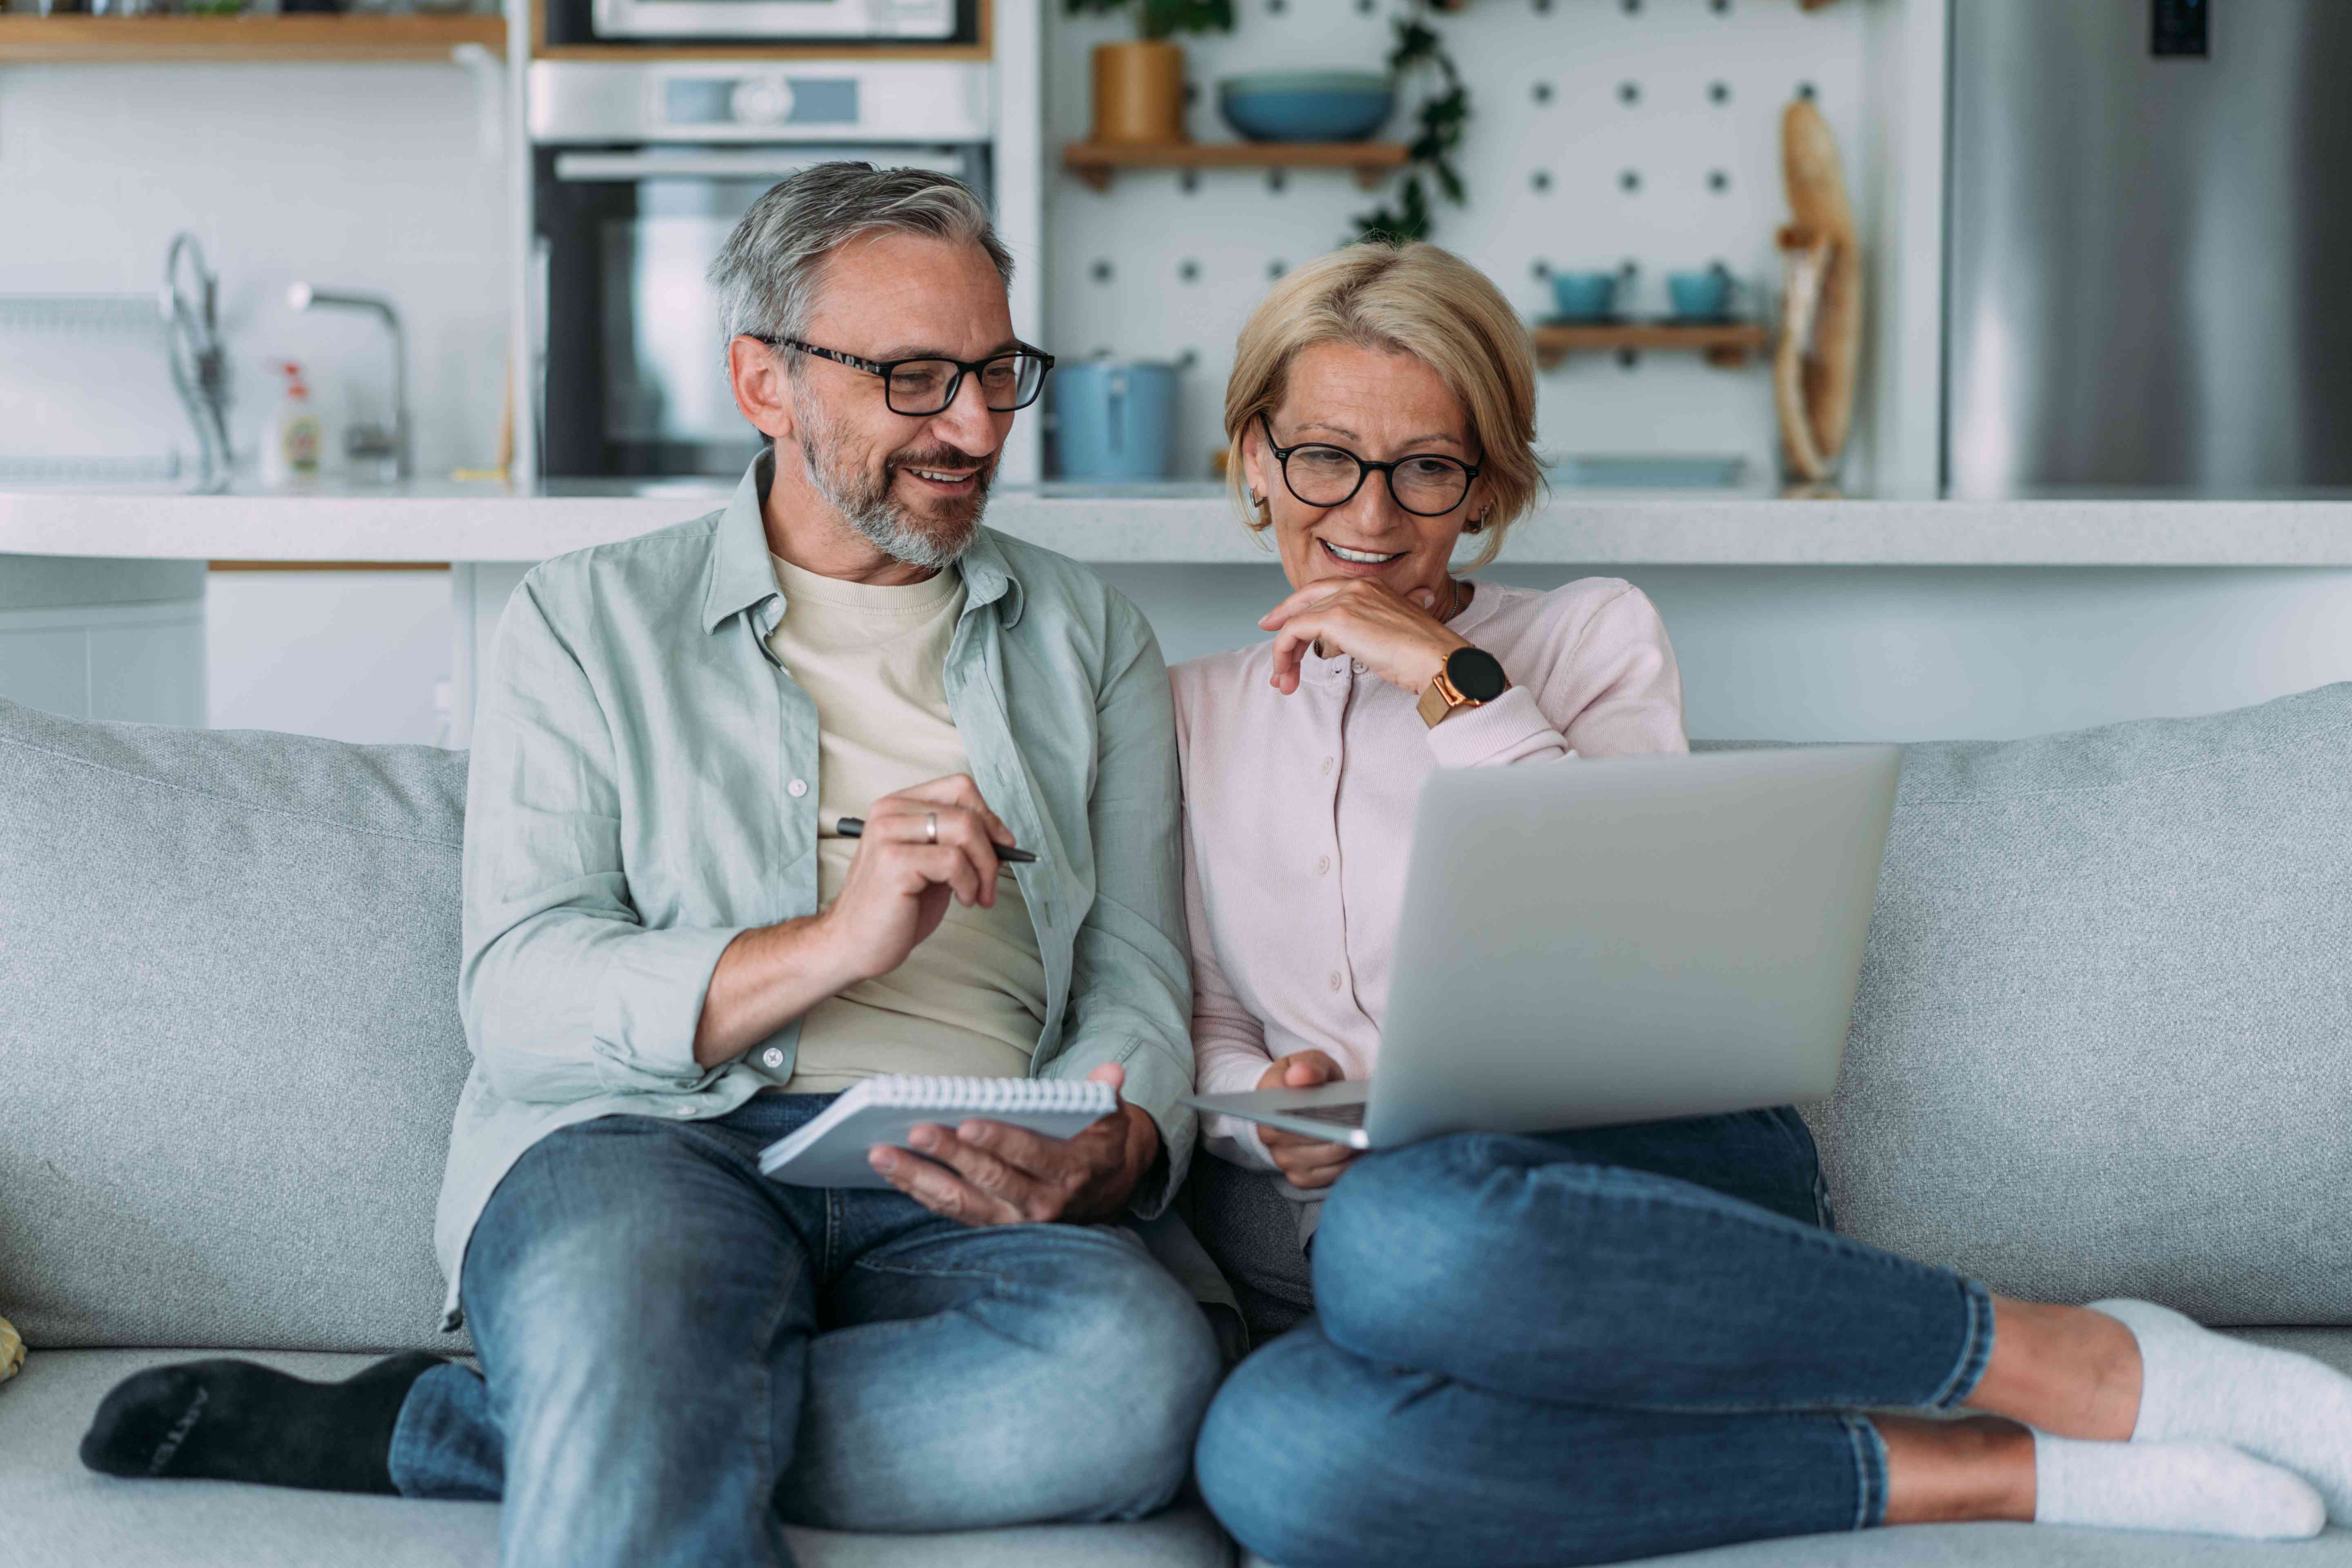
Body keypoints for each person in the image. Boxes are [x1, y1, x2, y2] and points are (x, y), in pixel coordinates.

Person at [78, 163, 1221, 1567]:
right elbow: (521, 996)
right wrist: (835, 944)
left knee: (1135, 1381)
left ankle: (479, 1427)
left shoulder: (1090, 638)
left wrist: (1120, 1140)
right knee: (638, 1322)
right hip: (646, 1142)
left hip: (958, 1165)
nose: (977, 425)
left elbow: (1139, 977)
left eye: (997, 372)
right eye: (916, 379)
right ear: (766, 382)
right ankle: (608, 1390)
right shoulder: (585, 621)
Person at [1175, 240, 2348, 1567]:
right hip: (1416, 1268)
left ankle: (2079, 1363)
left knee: (1400, 1232)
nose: (1372, 518)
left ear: (1488, 482)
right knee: (1274, 1451)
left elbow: (1623, 940)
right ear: (1255, 456)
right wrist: (1273, 1117)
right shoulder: (1193, 718)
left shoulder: (1587, 638)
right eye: (1325, 457)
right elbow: (1207, 1016)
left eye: (1427, 469)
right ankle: (1985, 1472)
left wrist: (1451, 677)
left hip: (1649, 1169)